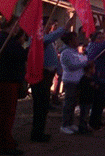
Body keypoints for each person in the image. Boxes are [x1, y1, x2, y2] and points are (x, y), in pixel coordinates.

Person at [0, 16, 27, 156]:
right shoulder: (5, 39)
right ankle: (4, 143)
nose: (18, 29)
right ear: (10, 25)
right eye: (16, 26)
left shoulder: (0, 38)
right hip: (5, 80)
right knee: (6, 113)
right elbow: (20, 55)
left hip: (0, 79)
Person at [28, 15, 73, 143]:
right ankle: (36, 133)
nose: (50, 27)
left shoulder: (48, 39)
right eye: (48, 24)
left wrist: (58, 70)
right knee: (40, 106)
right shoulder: (37, 38)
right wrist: (64, 28)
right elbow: (48, 38)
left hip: (48, 75)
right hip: (40, 75)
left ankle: (40, 132)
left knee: (43, 106)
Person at [59, 31, 89, 134]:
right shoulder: (66, 52)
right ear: (71, 41)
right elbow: (72, 65)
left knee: (73, 103)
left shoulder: (75, 51)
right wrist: (85, 62)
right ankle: (65, 124)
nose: (78, 41)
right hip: (70, 81)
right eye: (75, 39)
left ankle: (70, 123)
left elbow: (82, 59)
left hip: (78, 80)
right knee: (69, 103)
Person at [86, 30, 105, 130]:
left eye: (103, 37)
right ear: (94, 39)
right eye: (99, 37)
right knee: (97, 101)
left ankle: (98, 120)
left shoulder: (104, 48)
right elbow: (97, 52)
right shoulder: (93, 46)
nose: (102, 39)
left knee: (102, 101)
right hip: (97, 78)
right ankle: (93, 122)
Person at [78, 62, 97, 134]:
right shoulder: (84, 79)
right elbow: (82, 89)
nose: (94, 70)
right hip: (84, 99)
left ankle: (85, 126)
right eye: (93, 68)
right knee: (83, 114)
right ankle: (82, 128)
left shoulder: (91, 78)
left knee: (86, 114)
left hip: (89, 99)